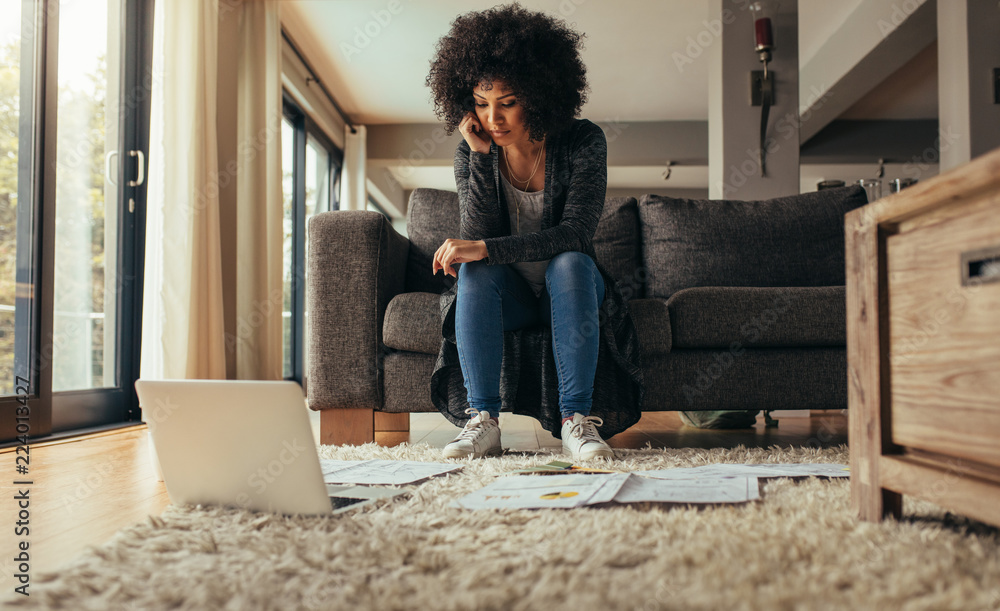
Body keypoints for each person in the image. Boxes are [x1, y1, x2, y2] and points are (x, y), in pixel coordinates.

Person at [424, 3, 645, 461]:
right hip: (513, 300)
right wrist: (483, 158)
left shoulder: (583, 140)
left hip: (569, 293)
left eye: (507, 103)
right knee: (475, 274)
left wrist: (484, 246)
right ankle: (482, 421)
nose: (493, 119)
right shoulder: (472, 150)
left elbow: (576, 233)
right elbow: (477, 231)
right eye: (481, 105)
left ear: (538, 95)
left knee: (570, 263)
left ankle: (575, 422)